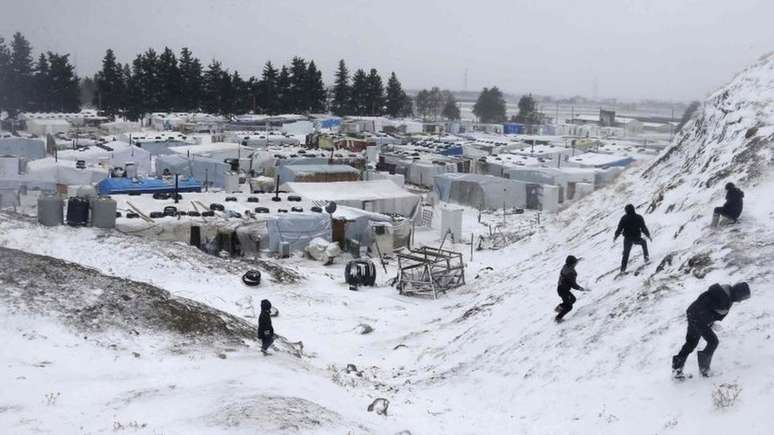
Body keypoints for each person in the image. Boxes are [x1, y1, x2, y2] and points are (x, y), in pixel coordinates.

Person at [672, 282, 750, 378]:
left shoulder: (723, 293)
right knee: (713, 341)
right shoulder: (723, 298)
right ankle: (704, 370)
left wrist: (710, 323)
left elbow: (705, 306)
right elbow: (705, 307)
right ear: (738, 294)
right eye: (742, 298)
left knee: (691, 343)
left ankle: (677, 369)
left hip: (693, 314)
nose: (741, 301)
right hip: (697, 318)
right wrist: (707, 323)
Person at [614, 204, 652, 273]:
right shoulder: (639, 217)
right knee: (644, 242)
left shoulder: (624, 218)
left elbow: (619, 229)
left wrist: (615, 236)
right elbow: (643, 228)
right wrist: (648, 236)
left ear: (626, 211)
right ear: (634, 209)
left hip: (627, 239)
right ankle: (646, 258)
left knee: (626, 254)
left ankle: (622, 270)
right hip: (636, 238)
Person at [555, 255, 587, 322]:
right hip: (563, 290)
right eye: (575, 262)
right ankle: (558, 318)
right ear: (572, 264)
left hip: (561, 288)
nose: (576, 263)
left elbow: (571, 262)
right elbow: (573, 285)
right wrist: (581, 288)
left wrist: (578, 259)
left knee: (573, 299)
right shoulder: (571, 273)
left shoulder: (566, 266)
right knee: (569, 307)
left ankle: (560, 307)